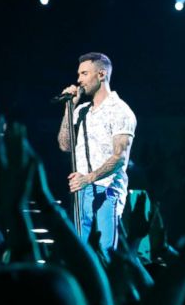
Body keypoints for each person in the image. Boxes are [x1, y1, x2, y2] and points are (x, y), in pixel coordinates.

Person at [57, 52, 136, 255]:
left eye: (84, 73)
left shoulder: (120, 110)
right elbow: (65, 145)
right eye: (79, 74)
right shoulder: (81, 110)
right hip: (81, 189)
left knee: (106, 250)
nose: (78, 80)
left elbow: (119, 158)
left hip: (107, 189)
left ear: (101, 74)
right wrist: (69, 107)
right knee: (78, 251)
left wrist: (89, 178)